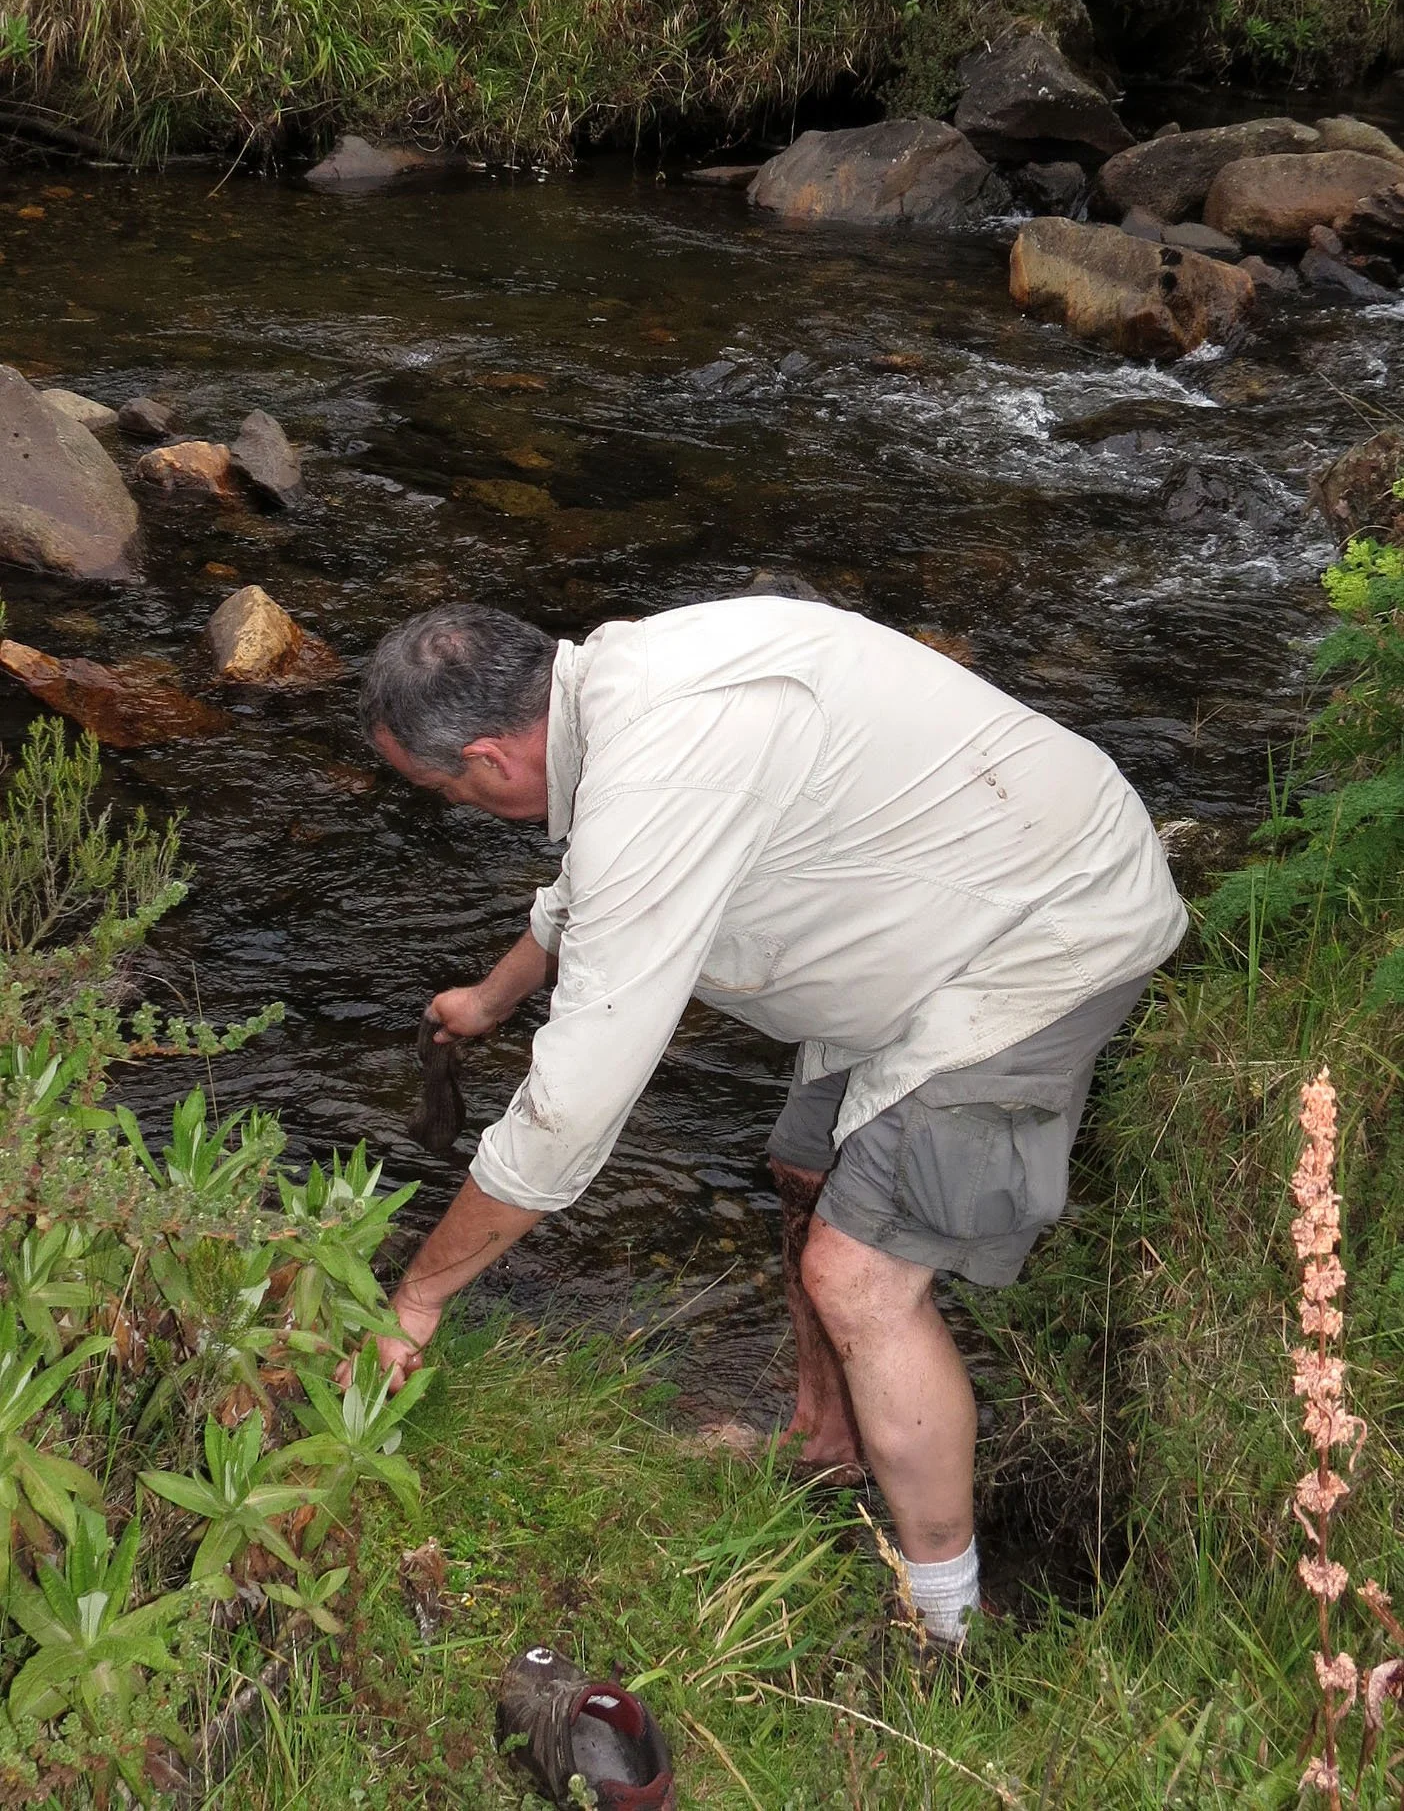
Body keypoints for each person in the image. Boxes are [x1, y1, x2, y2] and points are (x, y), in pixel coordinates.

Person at [356, 594, 1186, 1648]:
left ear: (490, 756)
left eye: (445, 790)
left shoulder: (664, 761)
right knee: (808, 1167)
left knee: (860, 1275)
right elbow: (594, 890)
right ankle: (826, 1440)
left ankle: (947, 1628)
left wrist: (421, 1295)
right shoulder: (621, 684)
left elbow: (574, 1101)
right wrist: (494, 996)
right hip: (944, 899)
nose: (458, 808)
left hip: (1043, 926)